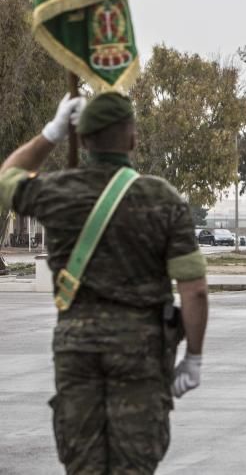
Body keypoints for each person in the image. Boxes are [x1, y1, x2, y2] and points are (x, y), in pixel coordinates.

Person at [0, 93, 209, 474]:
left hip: (78, 349)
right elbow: (193, 288)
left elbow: (7, 177)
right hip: (141, 351)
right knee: (134, 464)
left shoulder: (56, 191)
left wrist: (51, 132)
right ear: (131, 138)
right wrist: (193, 356)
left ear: (81, 139)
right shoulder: (162, 198)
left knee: (83, 464)